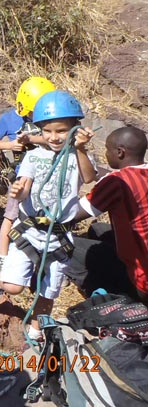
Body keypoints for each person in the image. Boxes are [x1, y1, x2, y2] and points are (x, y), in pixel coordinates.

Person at [0, 90, 96, 342]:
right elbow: (25, 185)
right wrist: (19, 192)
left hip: (59, 238)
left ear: (75, 128)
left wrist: (81, 148)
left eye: (61, 131)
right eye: (47, 131)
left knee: (48, 293)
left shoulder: (78, 157)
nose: (54, 137)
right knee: (14, 287)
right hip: (29, 232)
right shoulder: (33, 156)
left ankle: (36, 330)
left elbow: (88, 177)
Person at [66, 126, 148, 302]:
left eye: (107, 149)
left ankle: (106, 291)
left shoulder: (116, 182)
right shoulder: (141, 172)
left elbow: (71, 215)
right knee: (97, 229)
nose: (106, 154)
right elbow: (111, 175)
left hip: (142, 282)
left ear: (119, 152)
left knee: (64, 243)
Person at [0, 76, 54, 273]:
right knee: (11, 216)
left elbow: (54, 140)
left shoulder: (47, 120)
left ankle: (45, 261)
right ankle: (3, 257)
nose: (36, 115)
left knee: (44, 218)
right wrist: (10, 145)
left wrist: (32, 139)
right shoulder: (9, 119)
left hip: (45, 177)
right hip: (20, 178)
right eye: (33, 111)